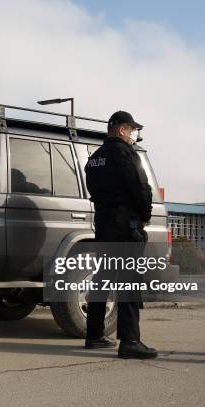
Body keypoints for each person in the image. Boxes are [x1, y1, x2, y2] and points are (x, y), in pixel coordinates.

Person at [84, 111, 157, 359]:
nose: (134, 135)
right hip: (126, 227)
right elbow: (141, 188)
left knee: (101, 279)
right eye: (133, 130)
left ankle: (94, 334)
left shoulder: (94, 158)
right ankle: (130, 341)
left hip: (104, 224)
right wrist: (144, 216)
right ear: (122, 130)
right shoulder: (127, 154)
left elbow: (93, 191)